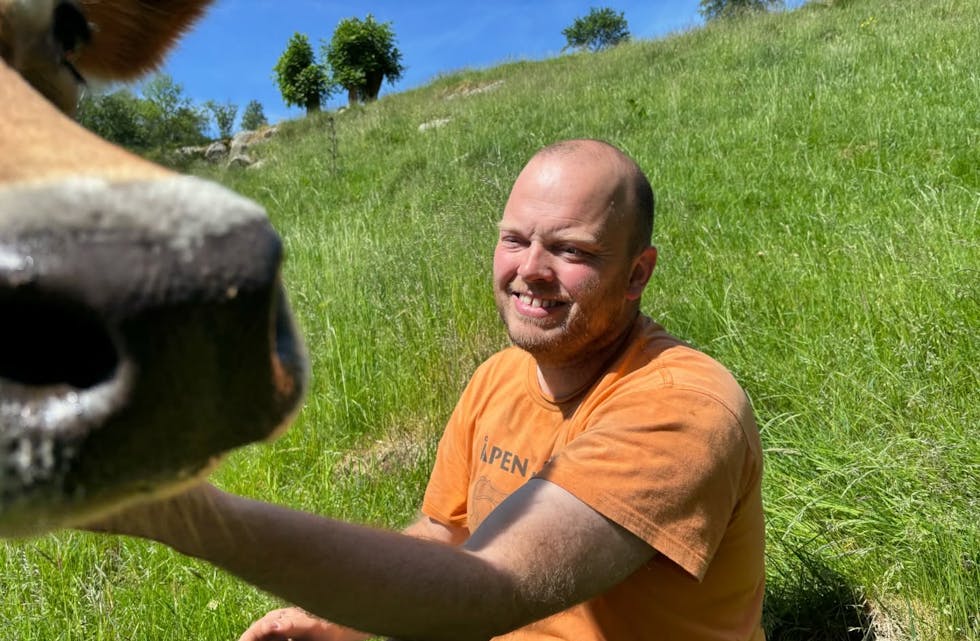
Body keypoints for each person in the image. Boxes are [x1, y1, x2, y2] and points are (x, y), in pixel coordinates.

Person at [93, 139, 765, 641]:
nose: (531, 269)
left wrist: (185, 514)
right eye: (515, 239)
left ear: (638, 273)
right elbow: (447, 532)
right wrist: (343, 621)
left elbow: (492, 589)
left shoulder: (684, 404)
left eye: (572, 250)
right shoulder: (497, 378)